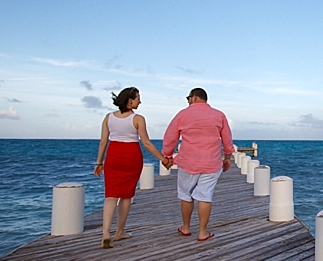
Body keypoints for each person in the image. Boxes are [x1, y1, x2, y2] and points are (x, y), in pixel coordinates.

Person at [94, 87, 173, 249]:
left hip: (113, 155)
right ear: (130, 100)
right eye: (138, 98)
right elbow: (146, 143)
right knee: (126, 195)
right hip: (131, 155)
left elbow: (103, 142)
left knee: (110, 195)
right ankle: (119, 232)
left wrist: (99, 162)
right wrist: (163, 159)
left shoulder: (108, 117)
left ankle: (106, 233)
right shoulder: (138, 119)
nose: (140, 101)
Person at [161, 88, 234, 241]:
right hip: (211, 163)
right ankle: (202, 232)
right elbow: (227, 140)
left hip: (188, 162)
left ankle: (186, 228)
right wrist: (227, 158)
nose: (188, 101)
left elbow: (170, 137)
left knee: (186, 195)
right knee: (205, 195)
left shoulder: (183, 114)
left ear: (194, 98)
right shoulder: (219, 115)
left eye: (188, 98)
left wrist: (167, 156)